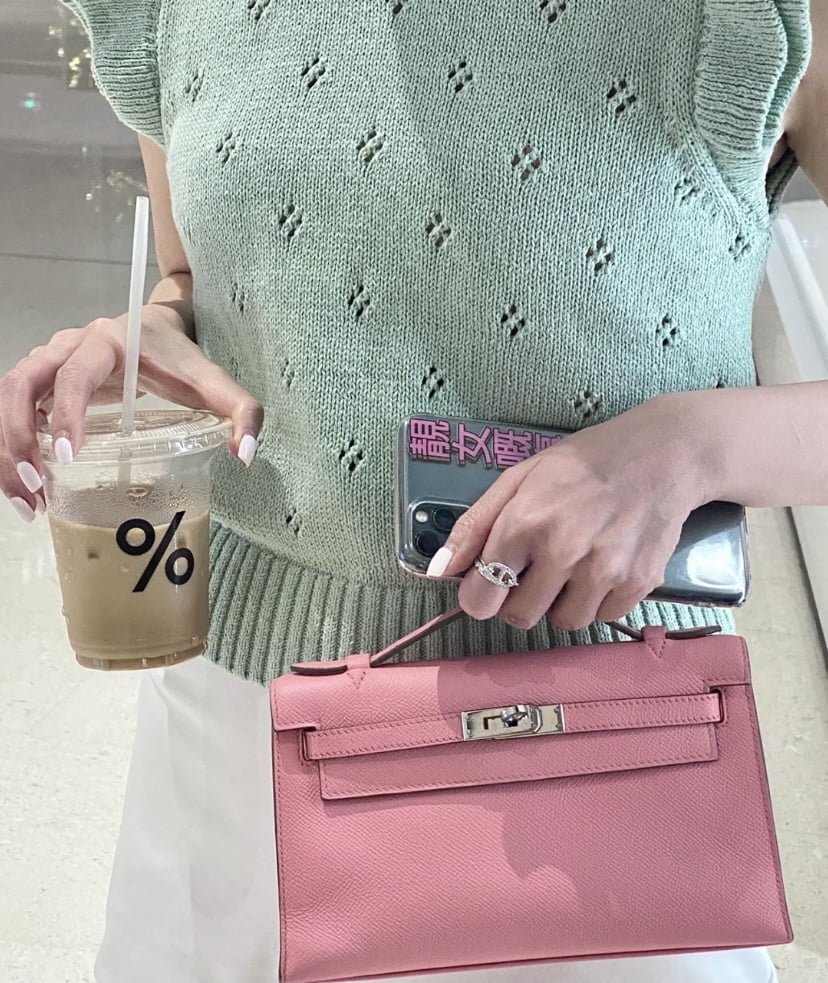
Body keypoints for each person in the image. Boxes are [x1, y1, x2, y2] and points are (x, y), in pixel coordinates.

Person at [2, 1, 826, 981]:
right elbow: (195, 273)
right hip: (245, 718)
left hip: (604, 747)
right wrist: (152, 337)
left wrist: (688, 446)